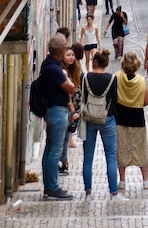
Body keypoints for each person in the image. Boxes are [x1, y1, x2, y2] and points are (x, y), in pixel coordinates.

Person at [81, 49, 126, 201]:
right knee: (111, 156)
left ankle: (88, 193)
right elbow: (115, 100)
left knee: (88, 157)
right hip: (107, 119)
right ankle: (114, 193)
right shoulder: (112, 79)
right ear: (106, 63)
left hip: (89, 119)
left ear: (94, 62)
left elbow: (82, 97)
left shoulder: (85, 77)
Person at [40, 34, 76, 200]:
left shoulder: (49, 64)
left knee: (49, 150)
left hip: (53, 111)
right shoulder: (54, 68)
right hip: (57, 111)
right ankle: (53, 187)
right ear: (61, 50)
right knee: (55, 151)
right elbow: (71, 88)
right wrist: (69, 80)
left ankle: (49, 186)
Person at [115, 51, 148, 190]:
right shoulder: (141, 81)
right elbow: (146, 101)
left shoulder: (117, 77)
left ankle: (122, 181)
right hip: (137, 118)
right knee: (141, 149)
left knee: (122, 148)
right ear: (137, 64)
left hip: (120, 117)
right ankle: (145, 181)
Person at [58, 46, 81, 174]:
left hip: (67, 109)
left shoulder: (72, 71)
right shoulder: (63, 72)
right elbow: (67, 96)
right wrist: (73, 111)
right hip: (65, 109)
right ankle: (63, 163)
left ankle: (64, 162)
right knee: (63, 138)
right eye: (68, 55)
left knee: (66, 137)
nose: (71, 57)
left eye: (73, 55)